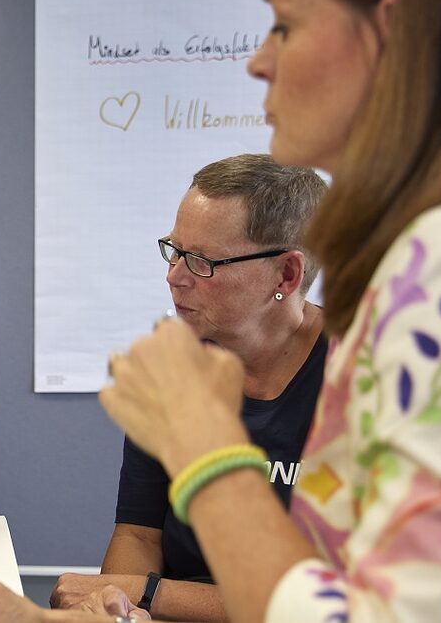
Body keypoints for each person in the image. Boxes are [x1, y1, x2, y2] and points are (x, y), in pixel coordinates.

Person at [0, 0, 441, 621]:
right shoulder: (401, 274)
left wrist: (202, 447)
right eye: (175, 252)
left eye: (284, 24)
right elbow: (341, 590)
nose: (259, 61)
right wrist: (37, 618)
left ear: (385, 31)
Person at [49, 154, 327, 621]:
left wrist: (149, 595)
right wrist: (119, 609)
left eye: (201, 261)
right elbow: (139, 533)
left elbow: (340, 597)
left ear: (286, 275)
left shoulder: (368, 379)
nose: (174, 276)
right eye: (174, 250)